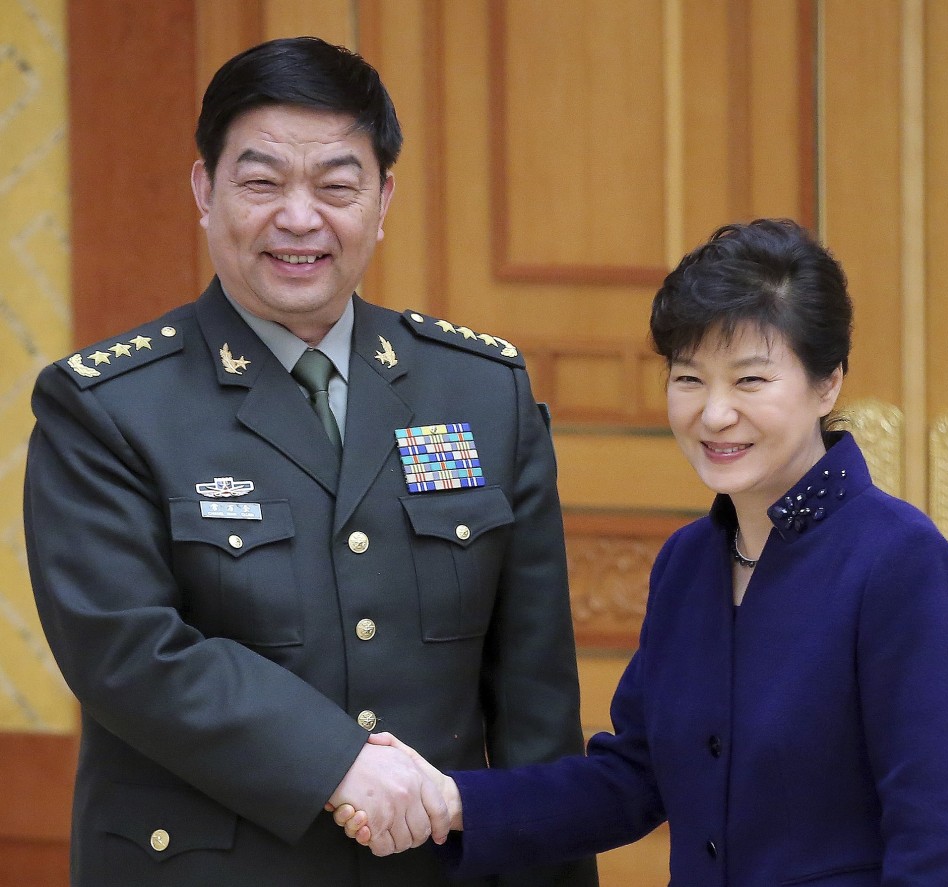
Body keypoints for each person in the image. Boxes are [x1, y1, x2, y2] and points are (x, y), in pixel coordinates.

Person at [23, 36, 597, 887]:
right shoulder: (108, 406)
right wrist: (336, 760)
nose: (301, 218)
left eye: (336, 185)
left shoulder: (480, 390)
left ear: (383, 197)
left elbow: (535, 699)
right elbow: (128, 651)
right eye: (261, 182)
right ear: (203, 190)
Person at [339, 218, 948, 885]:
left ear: (828, 383)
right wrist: (452, 801)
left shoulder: (903, 564)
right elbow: (633, 779)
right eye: (689, 378)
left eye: (751, 380)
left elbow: (933, 849)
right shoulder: (689, 563)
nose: (713, 414)